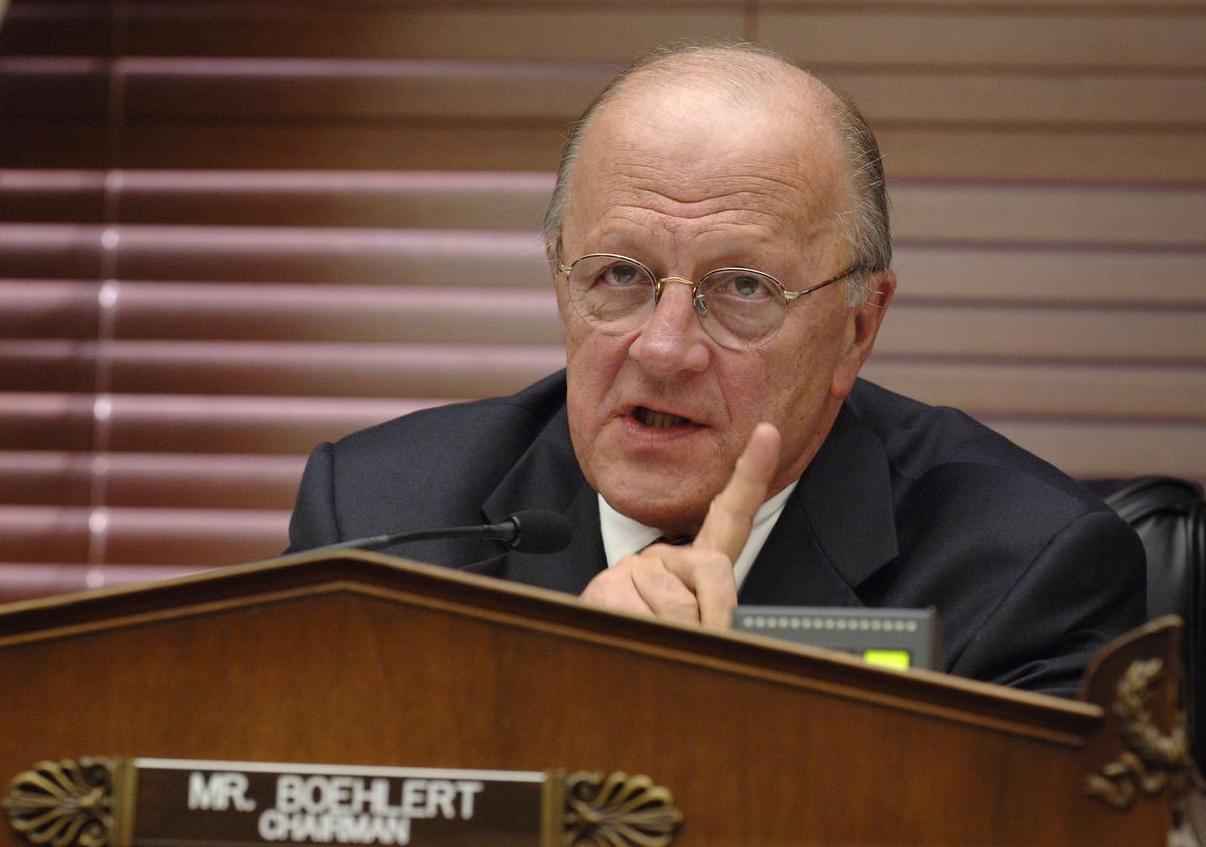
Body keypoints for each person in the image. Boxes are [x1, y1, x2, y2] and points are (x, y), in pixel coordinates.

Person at [287, 43, 1146, 697]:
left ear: (857, 328)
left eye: (742, 288)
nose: (663, 349)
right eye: (619, 275)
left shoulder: (1021, 574)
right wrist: (567, 690)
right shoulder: (381, 524)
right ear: (561, 280)